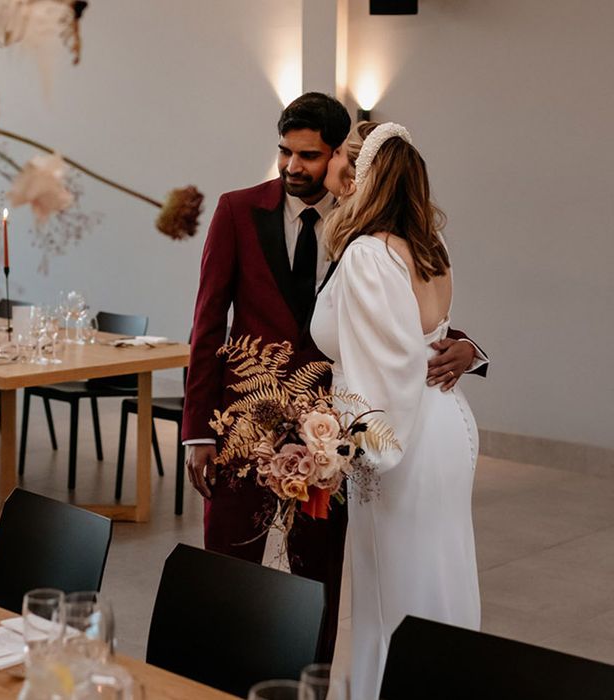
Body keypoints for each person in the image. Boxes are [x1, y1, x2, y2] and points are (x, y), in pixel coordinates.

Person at [182, 94, 485, 662]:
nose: (293, 166)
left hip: (343, 432)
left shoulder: (364, 236)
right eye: (284, 152)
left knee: (321, 569)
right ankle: (214, 671)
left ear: (344, 163)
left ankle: (312, 675)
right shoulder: (237, 210)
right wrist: (199, 429)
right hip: (246, 420)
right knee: (226, 561)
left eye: (311, 155)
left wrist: (467, 346)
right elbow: (206, 325)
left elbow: (400, 326)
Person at [310, 121, 482, 698]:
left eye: (347, 170)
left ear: (369, 179)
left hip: (398, 442)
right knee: (440, 572)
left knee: (390, 590)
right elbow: (423, 345)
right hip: (446, 426)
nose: (340, 180)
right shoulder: (433, 247)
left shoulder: (366, 255)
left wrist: (345, 451)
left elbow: (380, 372)